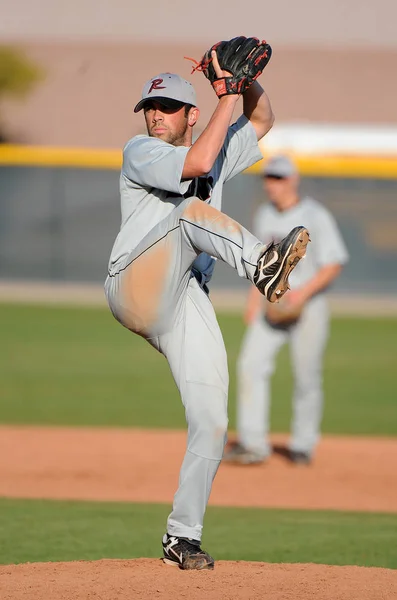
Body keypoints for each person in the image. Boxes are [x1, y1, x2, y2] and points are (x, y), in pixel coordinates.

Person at [104, 53, 310, 570]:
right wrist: (225, 94)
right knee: (192, 212)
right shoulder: (141, 149)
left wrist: (247, 83)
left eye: (169, 107)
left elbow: (261, 121)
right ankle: (261, 265)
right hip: (134, 281)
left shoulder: (216, 141)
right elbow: (195, 165)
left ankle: (182, 536)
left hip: (186, 297)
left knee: (213, 420)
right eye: (151, 106)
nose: (157, 116)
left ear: (190, 115)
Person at [225, 155, 348, 467]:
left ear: (294, 180)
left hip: (309, 308)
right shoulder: (265, 214)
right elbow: (263, 264)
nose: (272, 184)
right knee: (250, 365)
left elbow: (334, 263)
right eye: (269, 177)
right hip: (272, 305)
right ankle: (253, 443)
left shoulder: (315, 215)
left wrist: (302, 295)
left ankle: (302, 445)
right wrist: (253, 302)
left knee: (306, 377)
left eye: (279, 178)